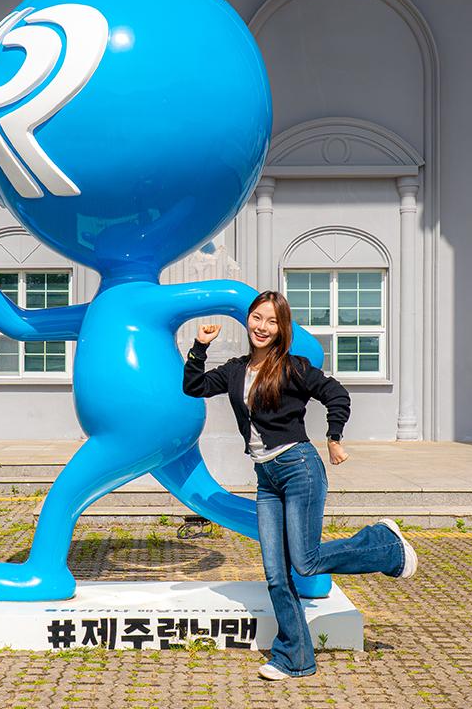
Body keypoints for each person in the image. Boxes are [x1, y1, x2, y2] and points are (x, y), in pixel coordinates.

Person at [183, 290, 418, 680]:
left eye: (272, 321)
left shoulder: (293, 367)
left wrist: (334, 437)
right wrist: (199, 347)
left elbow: (336, 394)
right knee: (276, 574)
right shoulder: (236, 369)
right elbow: (195, 387)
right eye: (257, 318)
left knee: (304, 561)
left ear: (282, 329)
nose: (262, 327)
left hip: (299, 469)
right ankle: (295, 658)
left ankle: (385, 545)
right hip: (266, 478)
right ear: (248, 319)